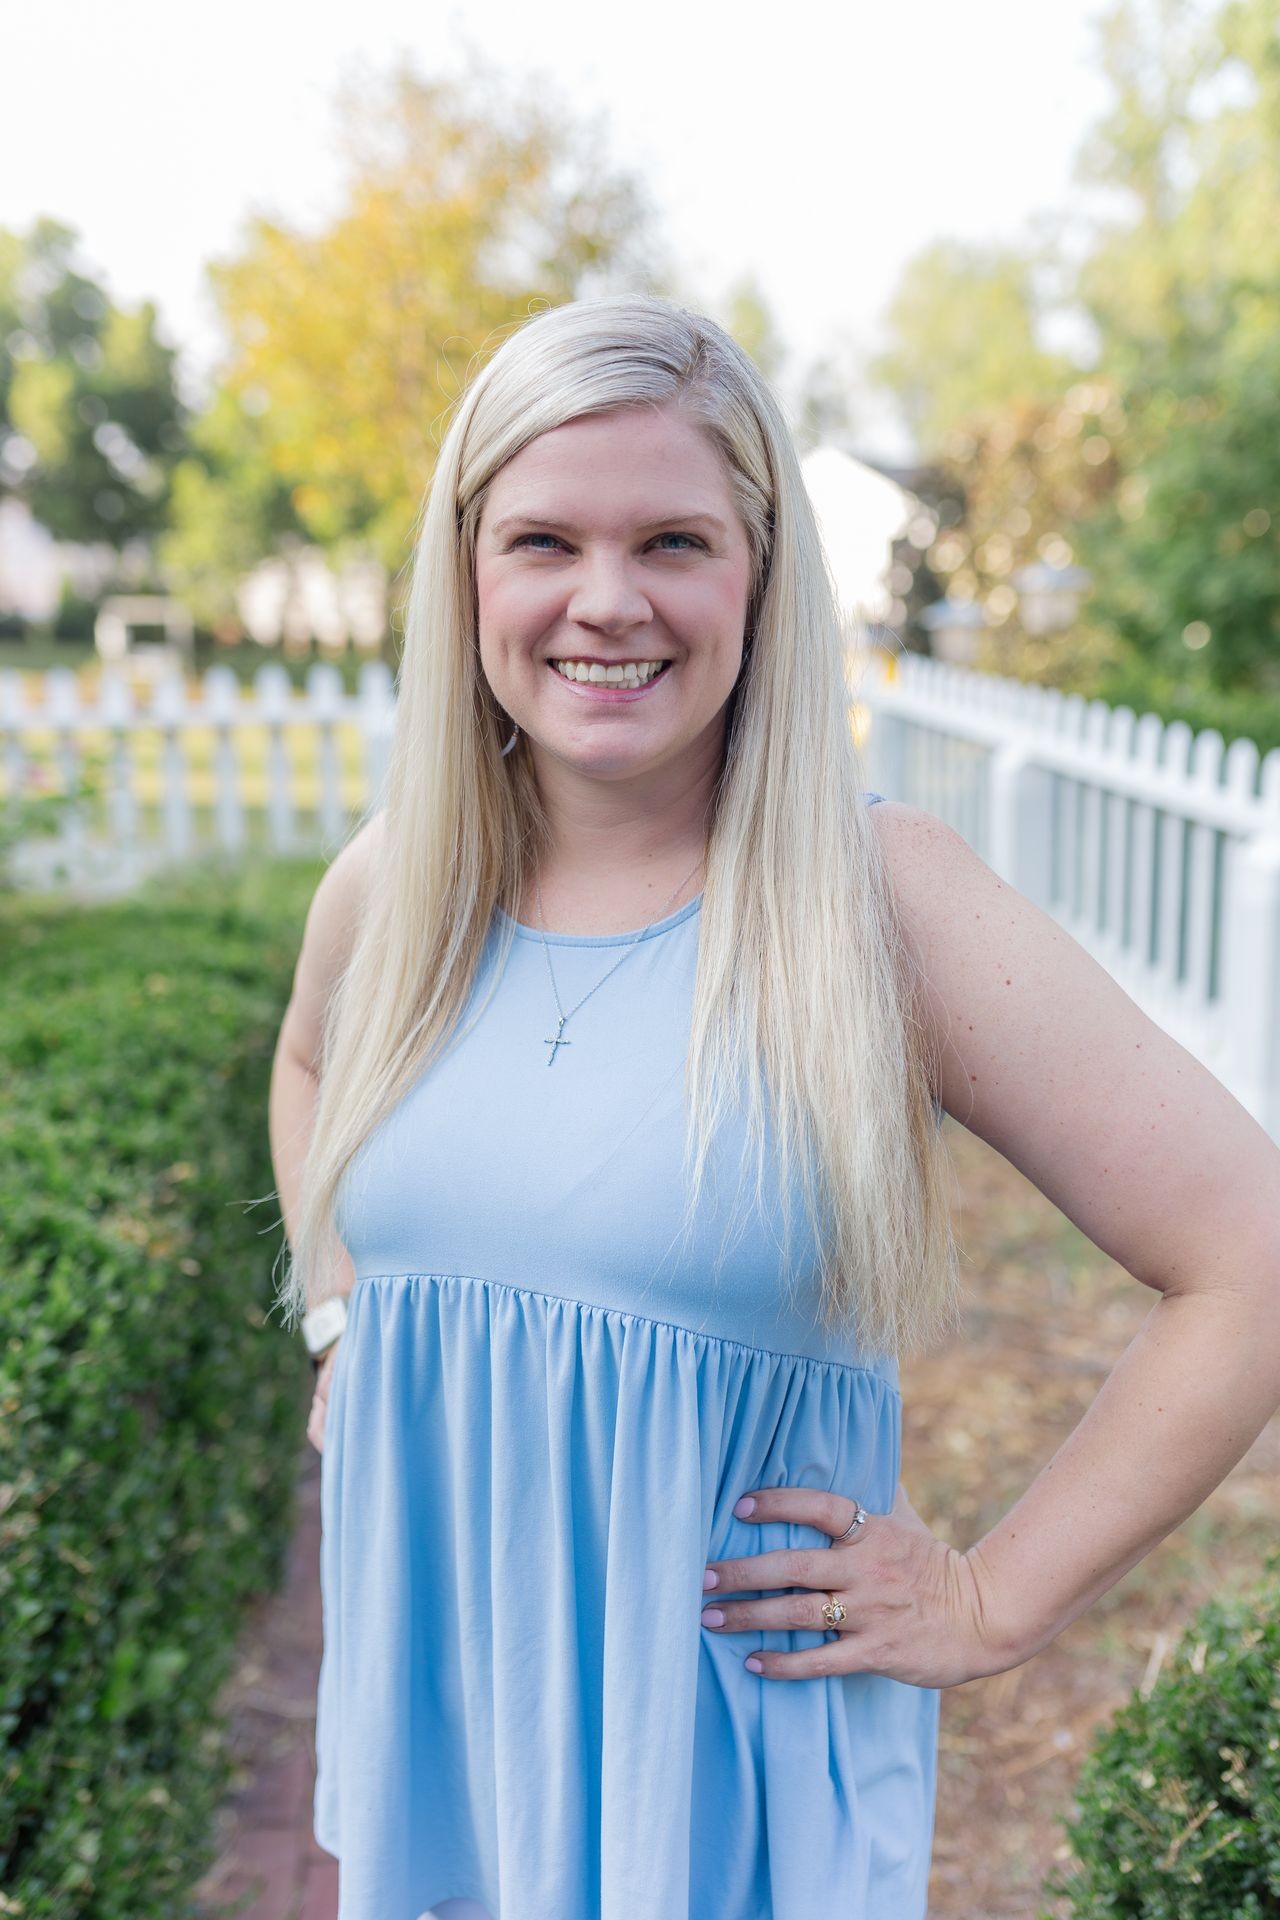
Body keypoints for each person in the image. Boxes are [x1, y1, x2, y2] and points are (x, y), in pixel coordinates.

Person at [268, 293, 1280, 1920]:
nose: (608, 601)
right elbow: (311, 1064)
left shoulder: (881, 905)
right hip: (453, 1739)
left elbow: (1253, 1253)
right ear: (466, 574)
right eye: (542, 541)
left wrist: (990, 1599)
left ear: (760, 571)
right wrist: (339, 1318)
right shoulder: (396, 885)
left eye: (673, 539)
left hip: (719, 1799)